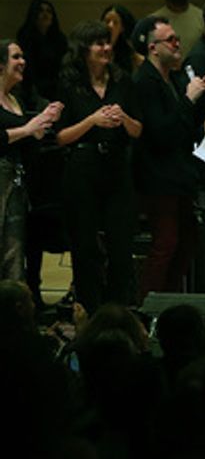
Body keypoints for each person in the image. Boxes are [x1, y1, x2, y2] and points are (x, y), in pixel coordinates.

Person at [55, 20, 143, 312]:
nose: (106, 48)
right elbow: (60, 137)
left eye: (107, 42)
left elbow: (138, 130)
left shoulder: (123, 81)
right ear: (83, 49)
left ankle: (118, 312)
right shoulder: (69, 83)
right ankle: (89, 314)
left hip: (117, 166)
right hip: (82, 166)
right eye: (98, 43)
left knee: (120, 247)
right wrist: (92, 120)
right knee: (85, 248)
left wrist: (124, 119)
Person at [130, 15, 205, 299]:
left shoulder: (174, 78)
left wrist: (203, 93)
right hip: (158, 179)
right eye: (170, 39)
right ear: (153, 47)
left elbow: (184, 125)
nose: (177, 42)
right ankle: (148, 308)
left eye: (177, 37)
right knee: (166, 244)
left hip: (179, 176)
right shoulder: (144, 81)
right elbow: (161, 134)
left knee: (186, 243)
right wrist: (189, 99)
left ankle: (166, 303)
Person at [0, 38, 63, 282]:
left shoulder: (16, 101)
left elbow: (28, 139)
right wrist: (28, 129)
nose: (22, 62)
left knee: (14, 249)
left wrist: (43, 121)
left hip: (16, 182)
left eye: (23, 56)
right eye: (16, 57)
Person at [100, 4, 142, 75]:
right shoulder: (93, 49)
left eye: (115, 22)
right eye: (107, 21)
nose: (110, 25)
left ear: (122, 28)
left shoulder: (131, 56)